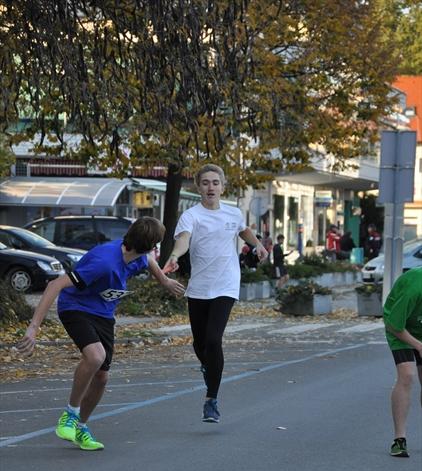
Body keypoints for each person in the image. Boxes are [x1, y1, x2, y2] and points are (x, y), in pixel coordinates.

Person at [17, 217, 185, 451]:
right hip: (76, 307)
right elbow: (55, 285)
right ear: (149, 245)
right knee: (95, 356)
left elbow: (148, 262)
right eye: (155, 244)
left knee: (102, 377)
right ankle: (70, 415)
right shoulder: (104, 262)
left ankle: (80, 427)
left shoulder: (138, 256)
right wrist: (33, 328)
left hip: (103, 313)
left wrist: (165, 281)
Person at [163, 163, 268, 423]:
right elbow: (184, 239)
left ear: (222, 187)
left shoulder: (233, 213)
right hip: (199, 286)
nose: (211, 187)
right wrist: (174, 256)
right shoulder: (191, 215)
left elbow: (242, 229)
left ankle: (211, 400)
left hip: (226, 284)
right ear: (198, 187)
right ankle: (208, 366)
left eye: (215, 182)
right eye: (205, 183)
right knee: (199, 344)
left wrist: (257, 244)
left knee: (213, 340)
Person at [383, 268, 422, 458]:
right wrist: (418, 345)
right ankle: (399, 439)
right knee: (407, 375)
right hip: (399, 328)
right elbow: (394, 325)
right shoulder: (414, 287)